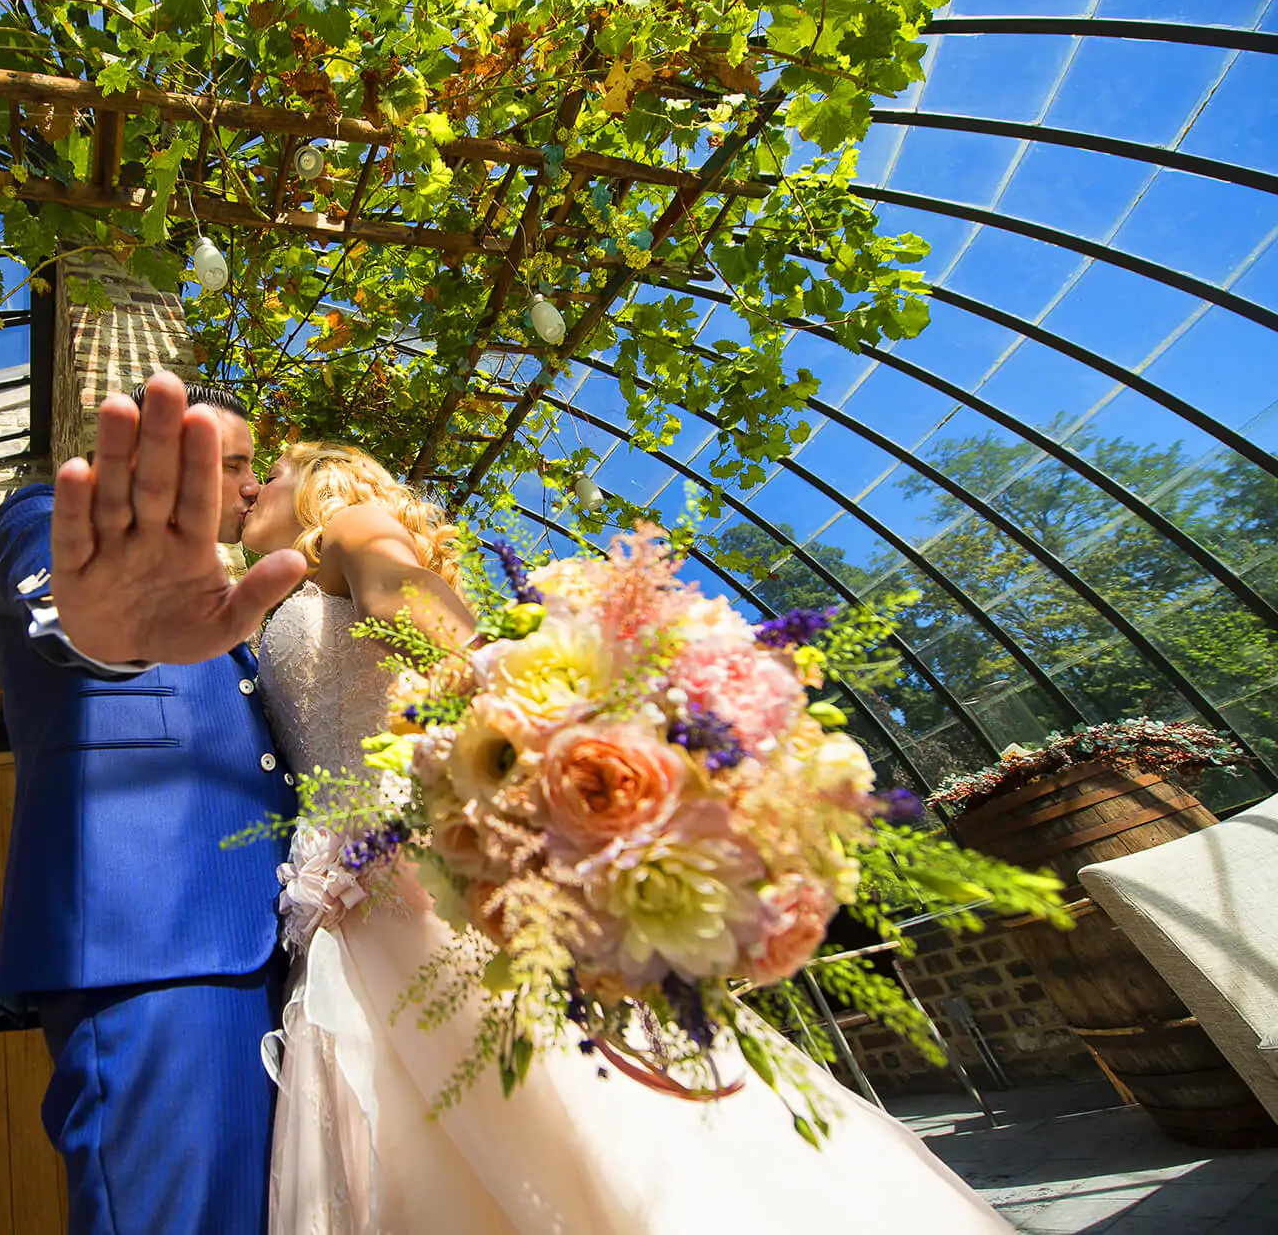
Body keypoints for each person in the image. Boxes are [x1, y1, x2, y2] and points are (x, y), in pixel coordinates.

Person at [240, 439, 1014, 1234]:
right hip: (343, 901)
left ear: (324, 486)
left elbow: (399, 588)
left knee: (557, 1113)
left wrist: (508, 685)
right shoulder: (272, 600)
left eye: (270, 471)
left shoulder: (351, 524)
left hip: (419, 877)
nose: (252, 486)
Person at [0, 372, 308, 1234]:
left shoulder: (229, 611)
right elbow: (56, 607)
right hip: (158, 945)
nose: (247, 484)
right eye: (228, 461)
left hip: (285, 958)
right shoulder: (41, 519)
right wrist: (105, 642)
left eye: (250, 467)